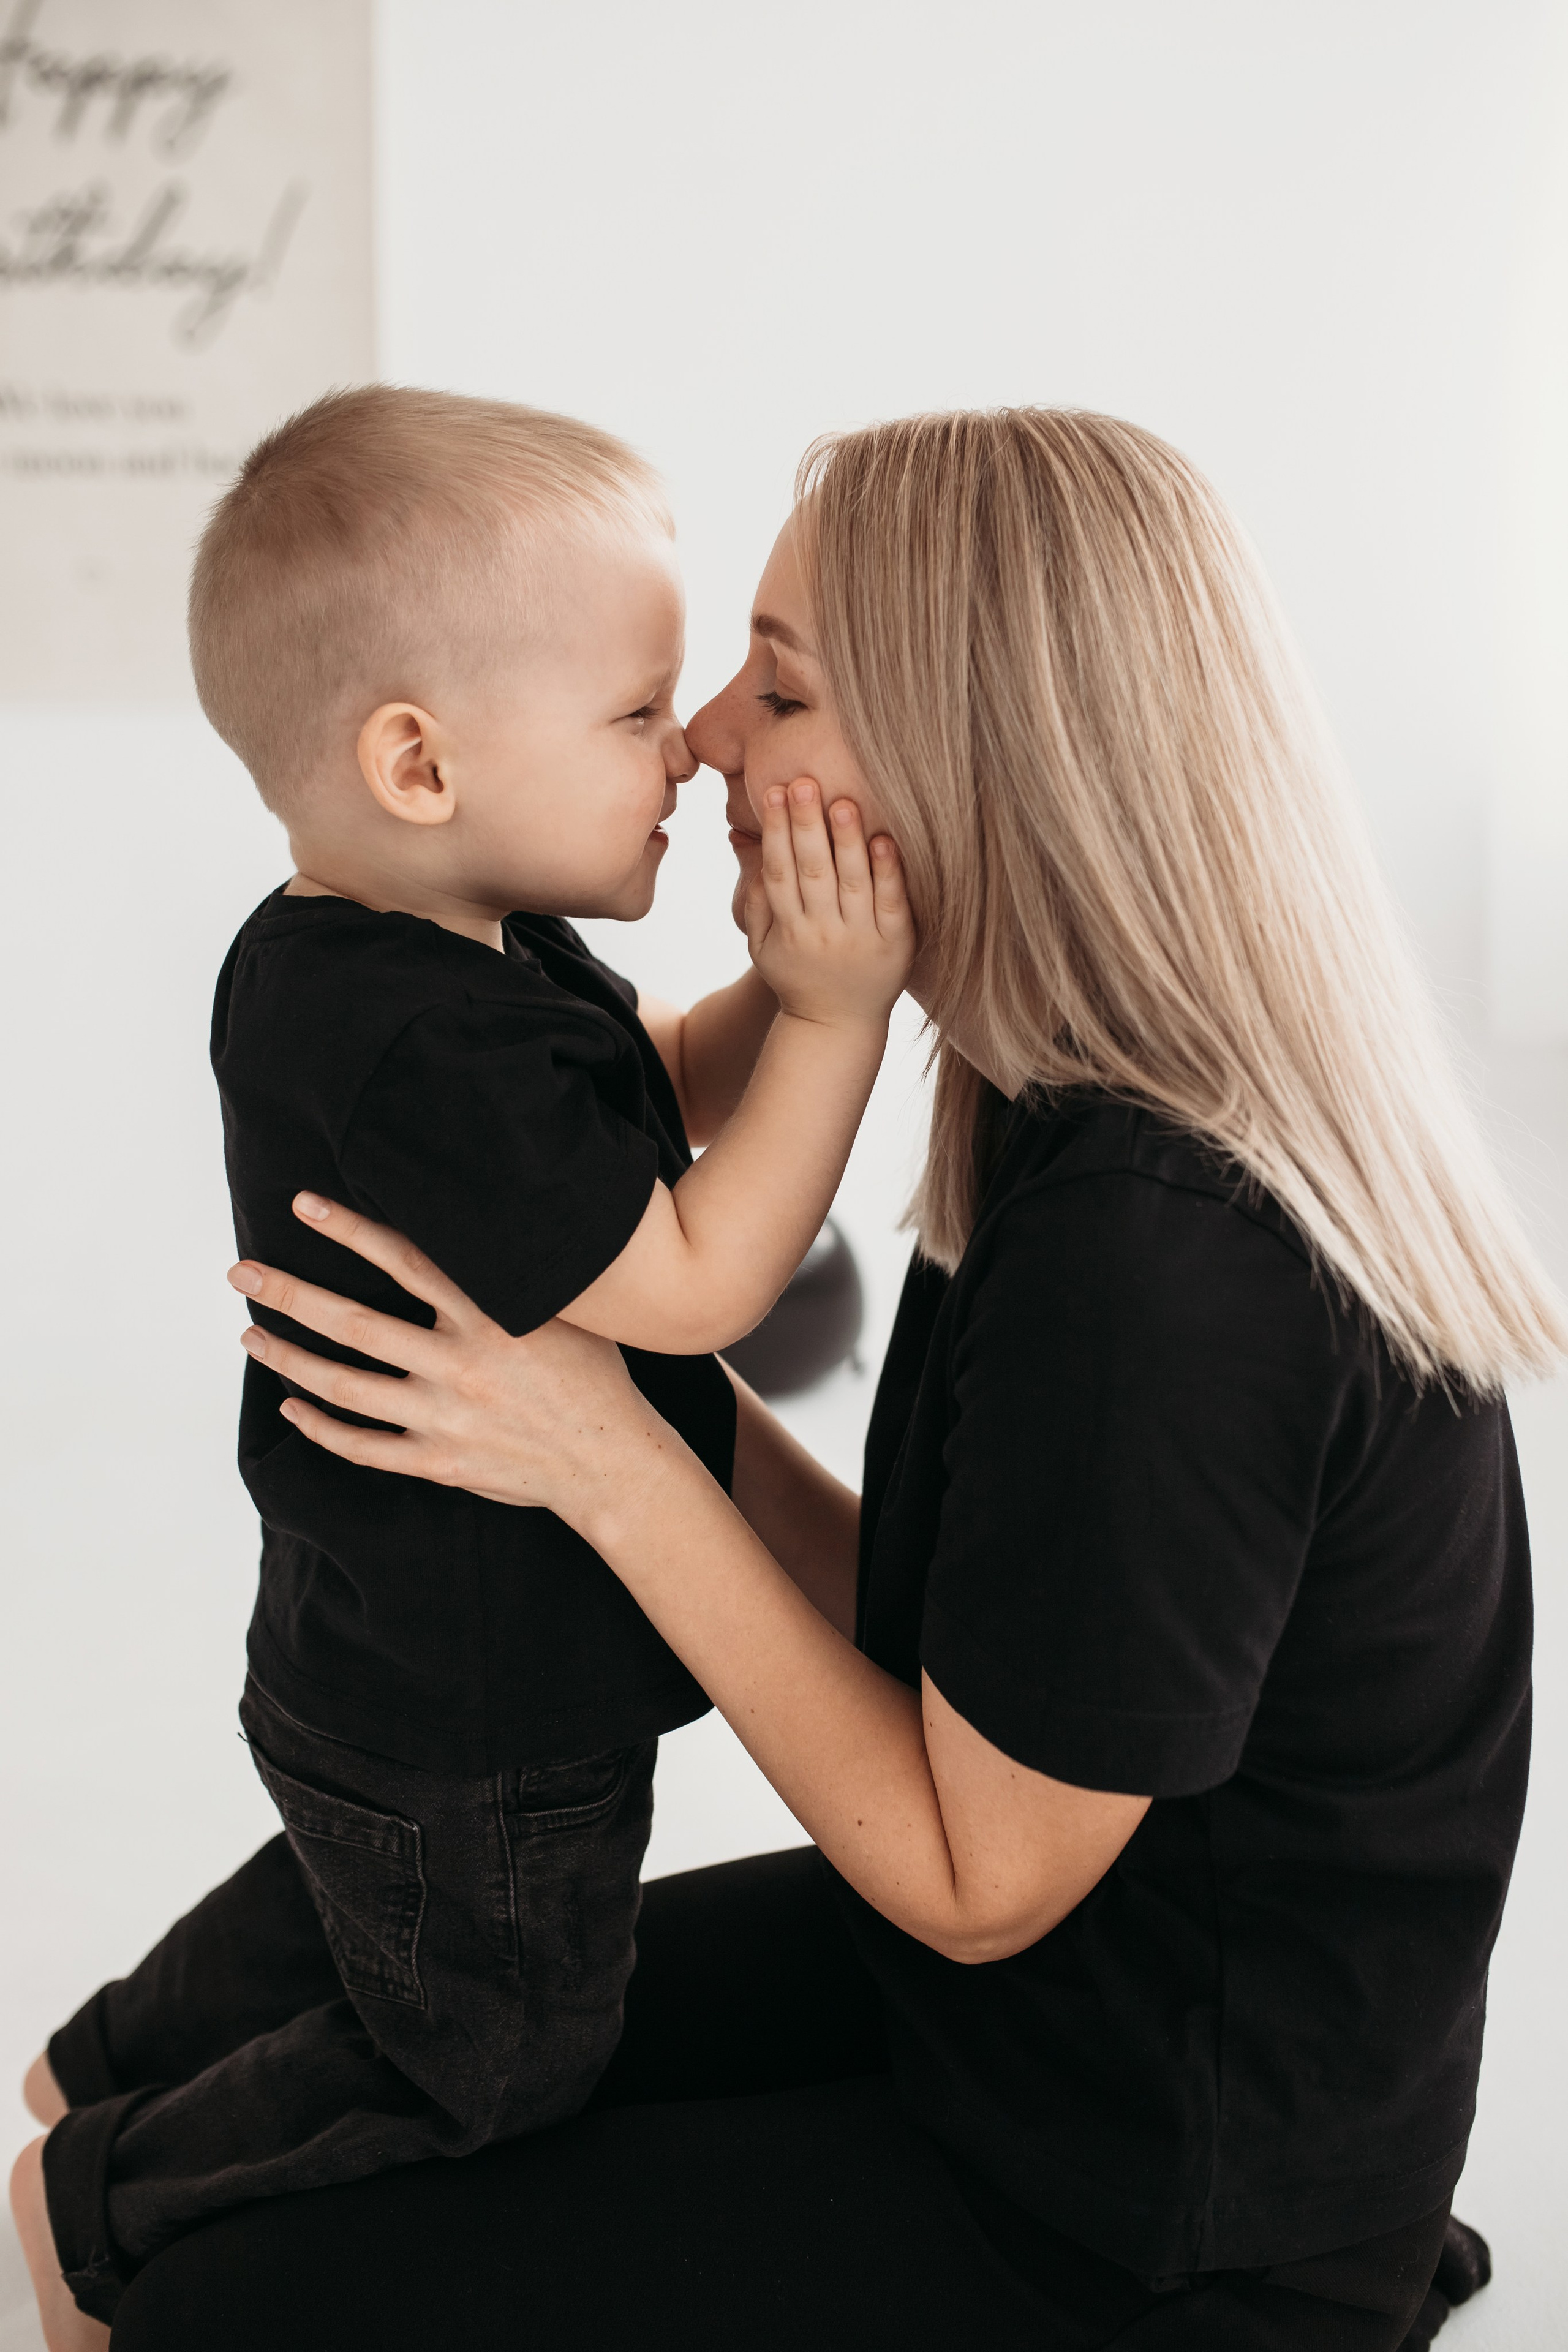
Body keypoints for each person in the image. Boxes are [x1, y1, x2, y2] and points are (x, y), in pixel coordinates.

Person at [26, 407, 1562, 2350]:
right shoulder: (1048, 1106)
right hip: (1007, 2015)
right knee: (257, 2081)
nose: (710, 738)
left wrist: (612, 1466)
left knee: (210, 2301)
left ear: (976, 755)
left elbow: (971, 1873)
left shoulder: (1167, 1258)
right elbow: (952, 1656)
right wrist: (572, 1399)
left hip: (1135, 2210)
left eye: (786, 685)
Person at [7, 386, 913, 2348]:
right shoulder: (420, 1041)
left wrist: (784, 974)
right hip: (486, 1707)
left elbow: (643, 1094)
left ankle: (97, 2058)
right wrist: (843, 1019)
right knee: (495, 2049)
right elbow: (688, 1277)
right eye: (631, 713)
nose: (684, 749)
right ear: (420, 762)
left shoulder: (423, 953)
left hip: (387, 1680)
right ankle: (97, 2198)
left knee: (365, 1904)